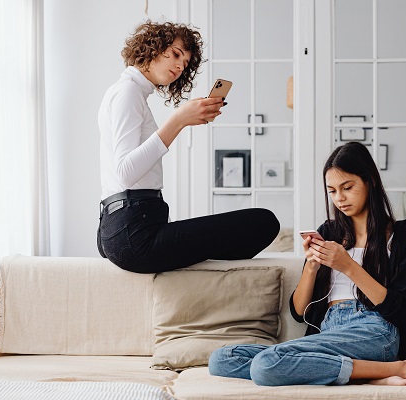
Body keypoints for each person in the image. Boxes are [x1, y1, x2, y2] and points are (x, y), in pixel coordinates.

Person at [208, 141, 406, 386]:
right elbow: (299, 313)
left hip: (375, 330)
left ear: (371, 181)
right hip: (329, 327)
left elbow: (404, 312)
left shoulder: (404, 237)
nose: (339, 198)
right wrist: (312, 265)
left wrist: (348, 265)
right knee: (222, 360)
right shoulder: (329, 232)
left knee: (266, 365)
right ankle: (368, 374)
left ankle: (402, 367)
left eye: (347, 187)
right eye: (332, 191)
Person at [97, 21, 279, 273]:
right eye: (175, 54)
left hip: (126, 226)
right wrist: (179, 120)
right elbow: (125, 172)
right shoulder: (127, 91)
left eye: (185, 62)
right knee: (263, 222)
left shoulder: (131, 92)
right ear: (152, 47)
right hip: (133, 232)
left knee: (244, 232)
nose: (180, 66)